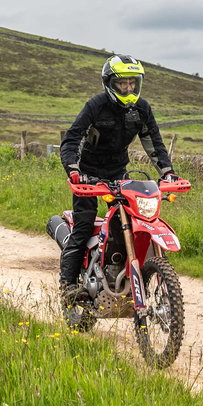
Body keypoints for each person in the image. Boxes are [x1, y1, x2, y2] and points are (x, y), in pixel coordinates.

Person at [58, 54, 178, 300]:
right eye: (123, 83)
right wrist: (73, 169)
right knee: (83, 225)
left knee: (133, 221)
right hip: (89, 176)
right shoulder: (96, 105)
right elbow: (72, 138)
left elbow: (154, 143)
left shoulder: (142, 108)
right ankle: (68, 286)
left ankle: (123, 272)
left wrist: (168, 173)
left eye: (132, 82)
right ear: (110, 83)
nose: (128, 88)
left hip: (120, 175)